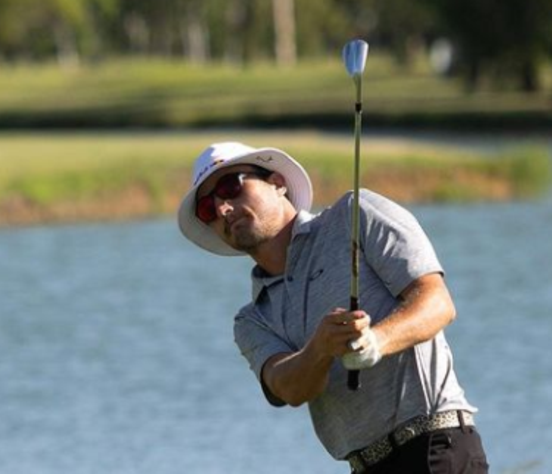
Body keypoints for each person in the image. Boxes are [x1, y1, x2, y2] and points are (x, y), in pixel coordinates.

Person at [176, 141, 489, 473]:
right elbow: (290, 388)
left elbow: (438, 304)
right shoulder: (252, 319)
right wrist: (319, 349)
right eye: (208, 208)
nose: (224, 208)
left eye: (230, 187)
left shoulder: (356, 214)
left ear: (278, 183)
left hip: (435, 447)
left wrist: (375, 342)